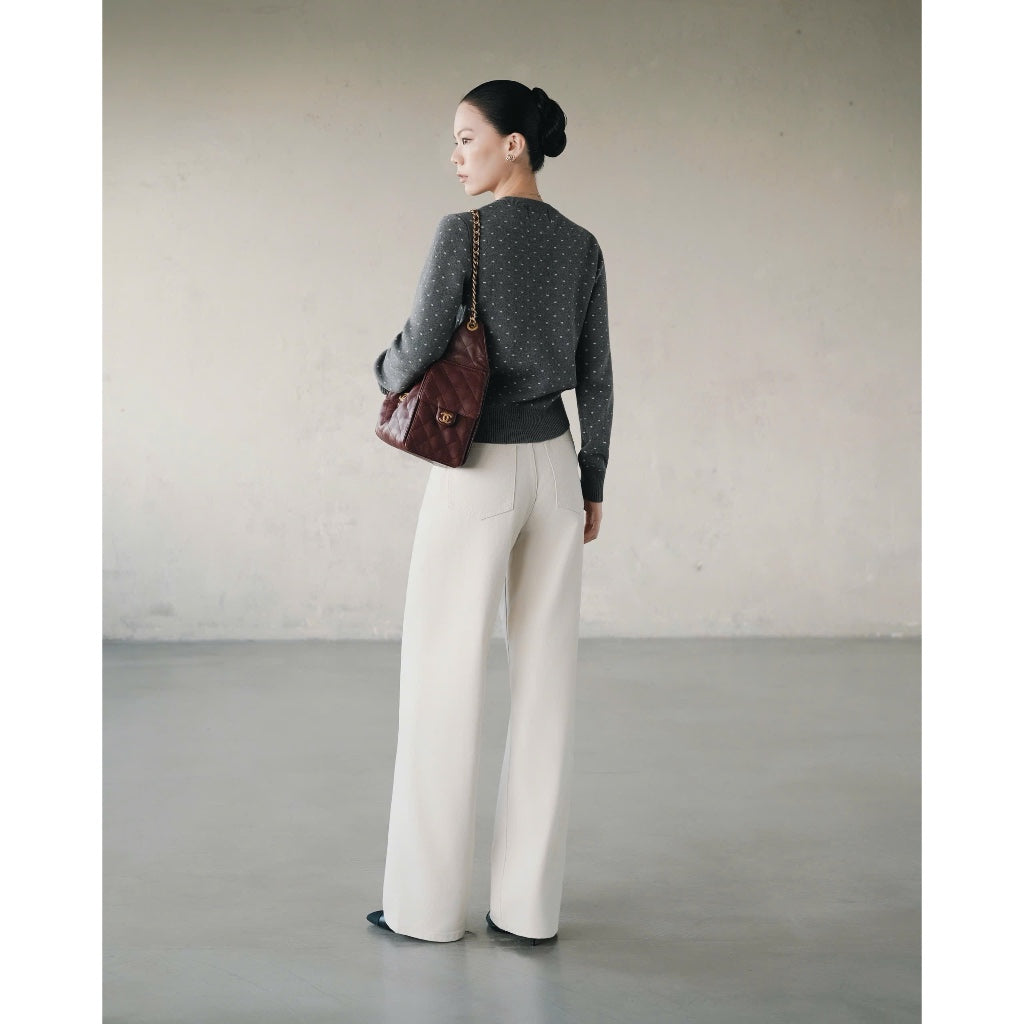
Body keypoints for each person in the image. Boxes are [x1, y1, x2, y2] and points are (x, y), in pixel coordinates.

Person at [367, 80, 614, 944]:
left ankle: (426, 911)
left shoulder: (462, 233)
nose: (456, 154)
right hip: (556, 468)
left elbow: (418, 349)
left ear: (514, 144)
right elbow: (599, 376)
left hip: (476, 473)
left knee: (442, 677)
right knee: (547, 686)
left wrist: (383, 369)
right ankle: (527, 911)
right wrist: (592, 479)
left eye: (467, 136)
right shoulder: (583, 246)